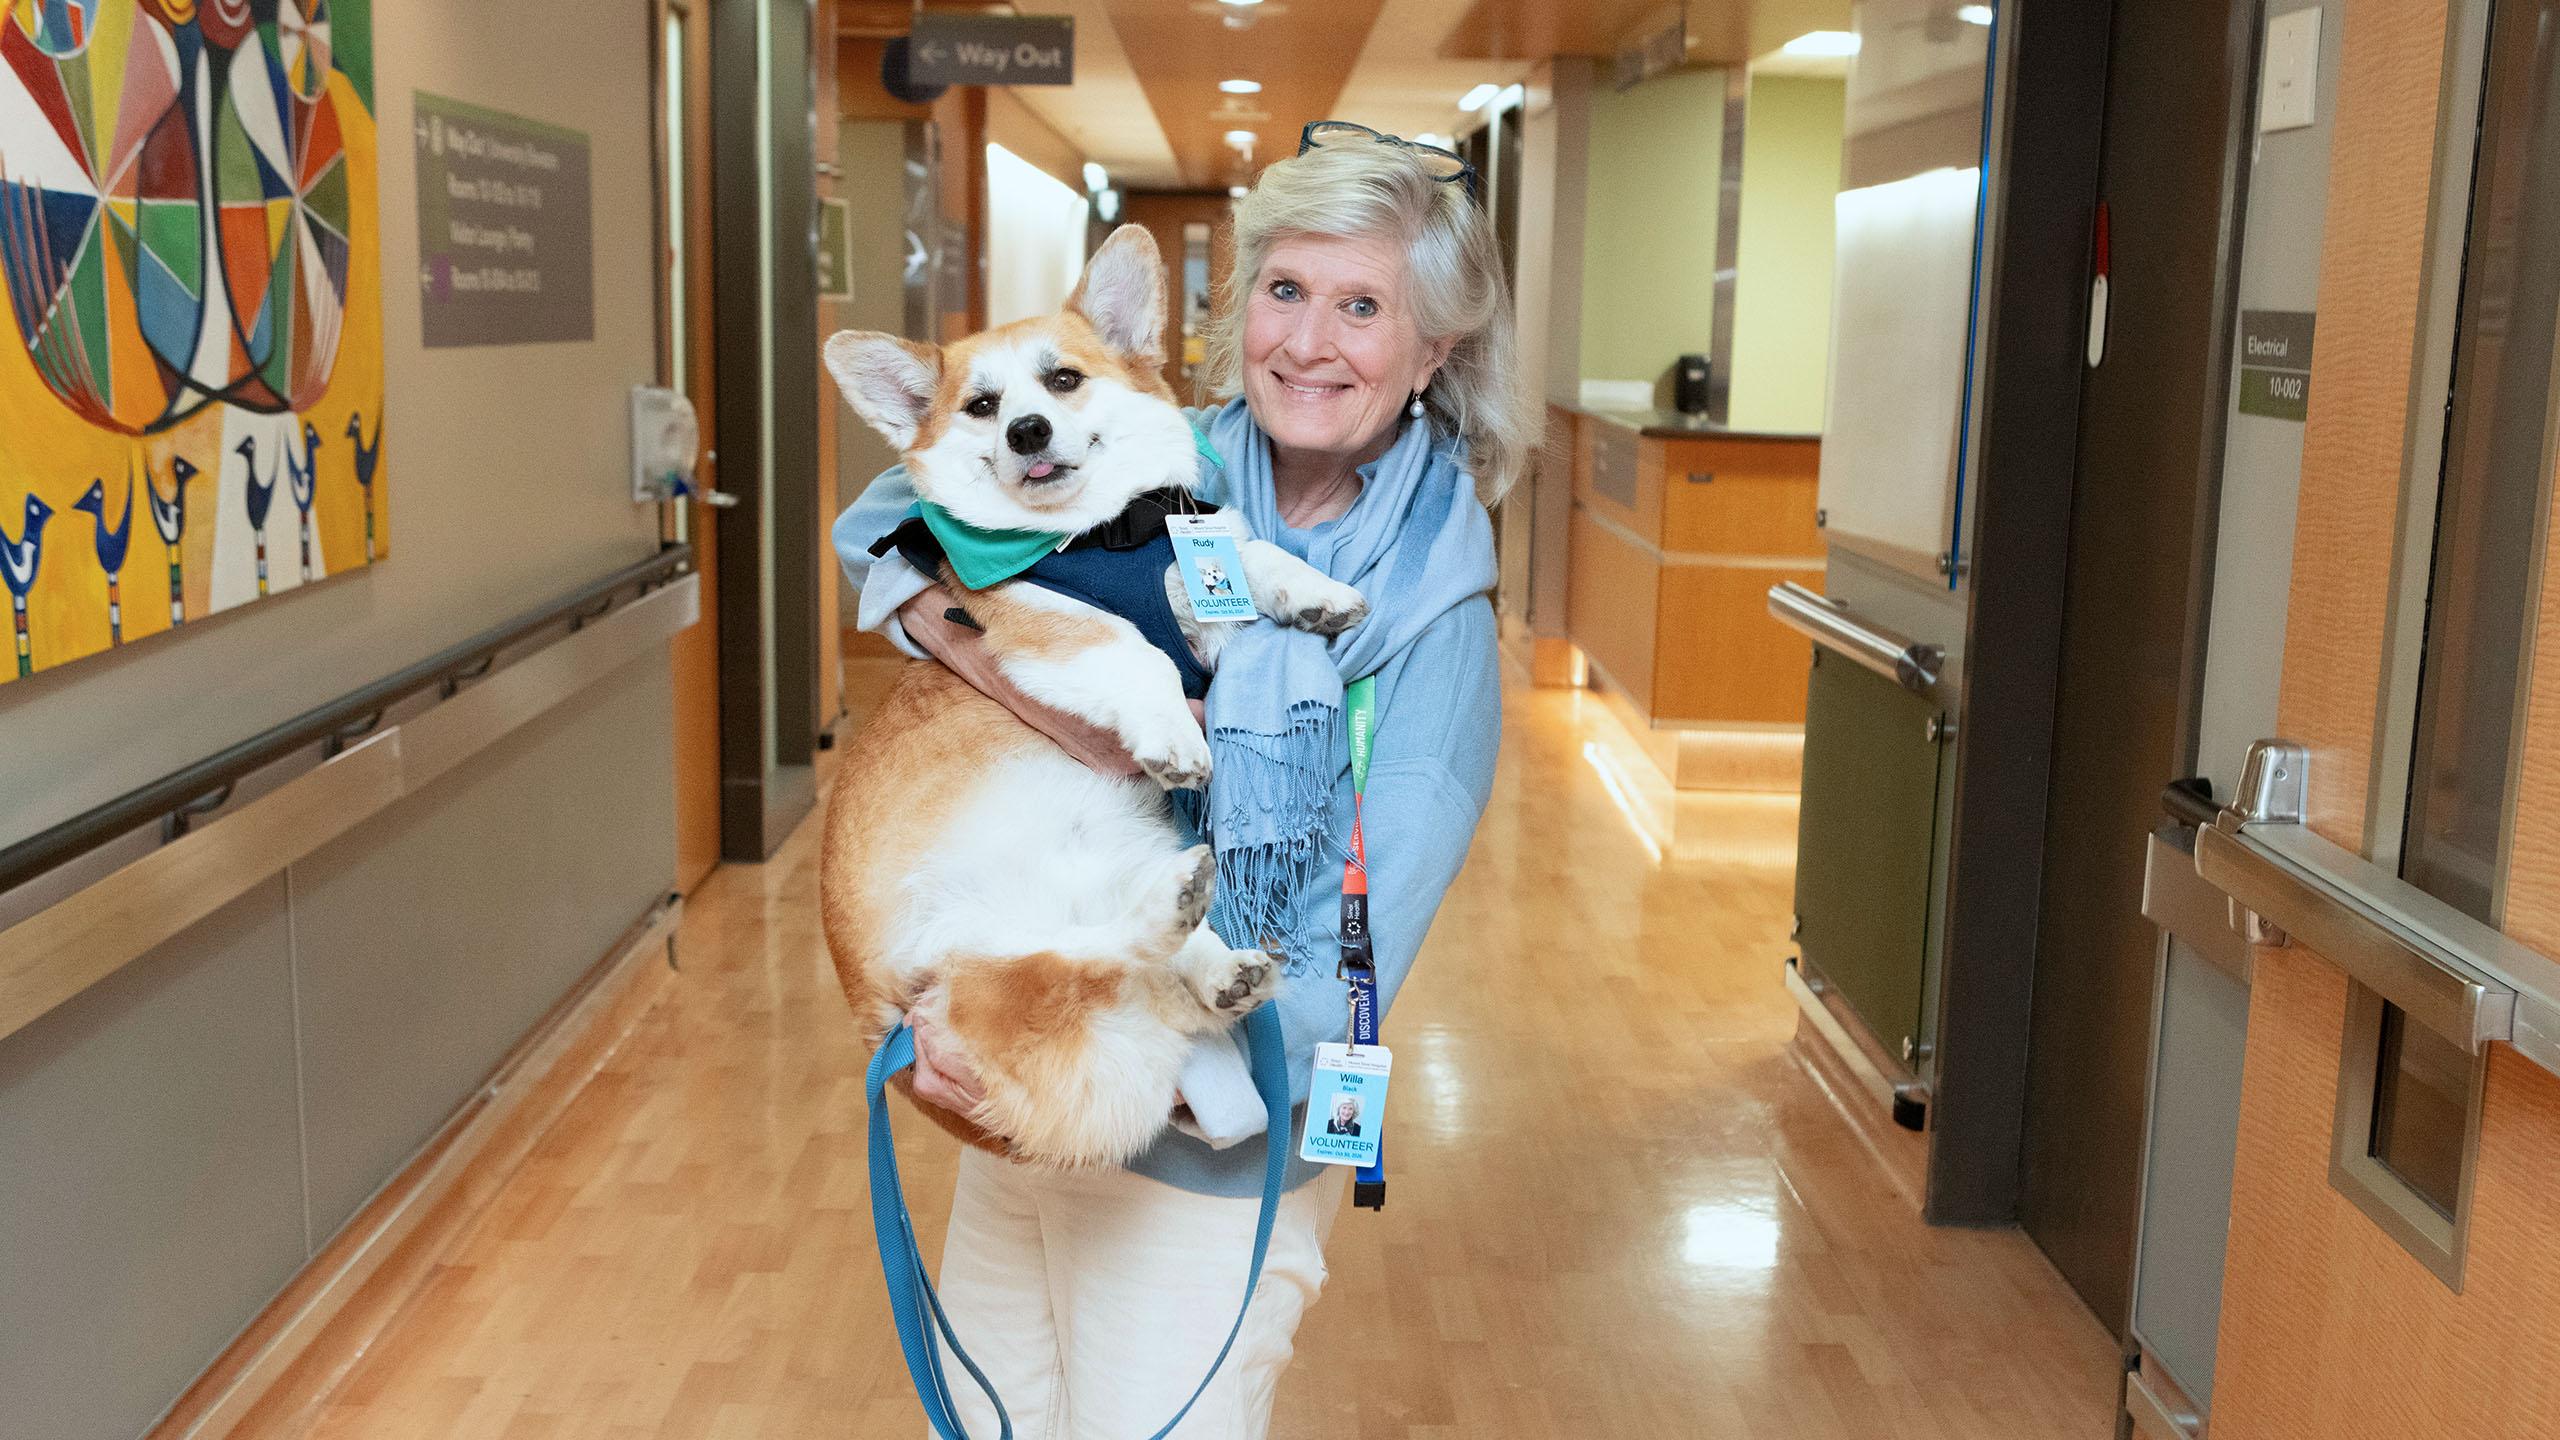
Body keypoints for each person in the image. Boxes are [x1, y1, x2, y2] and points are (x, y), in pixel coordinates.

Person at [833, 122, 1535, 1438]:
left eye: (1362, 306)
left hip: (1201, 1131)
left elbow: (1356, 938)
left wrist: (1152, 1081)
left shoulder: (1432, 611)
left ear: (1433, 350)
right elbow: (892, 524)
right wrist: (1003, 662)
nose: (1308, 341)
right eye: (1285, 290)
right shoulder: (1142, 445)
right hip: (1026, 1074)